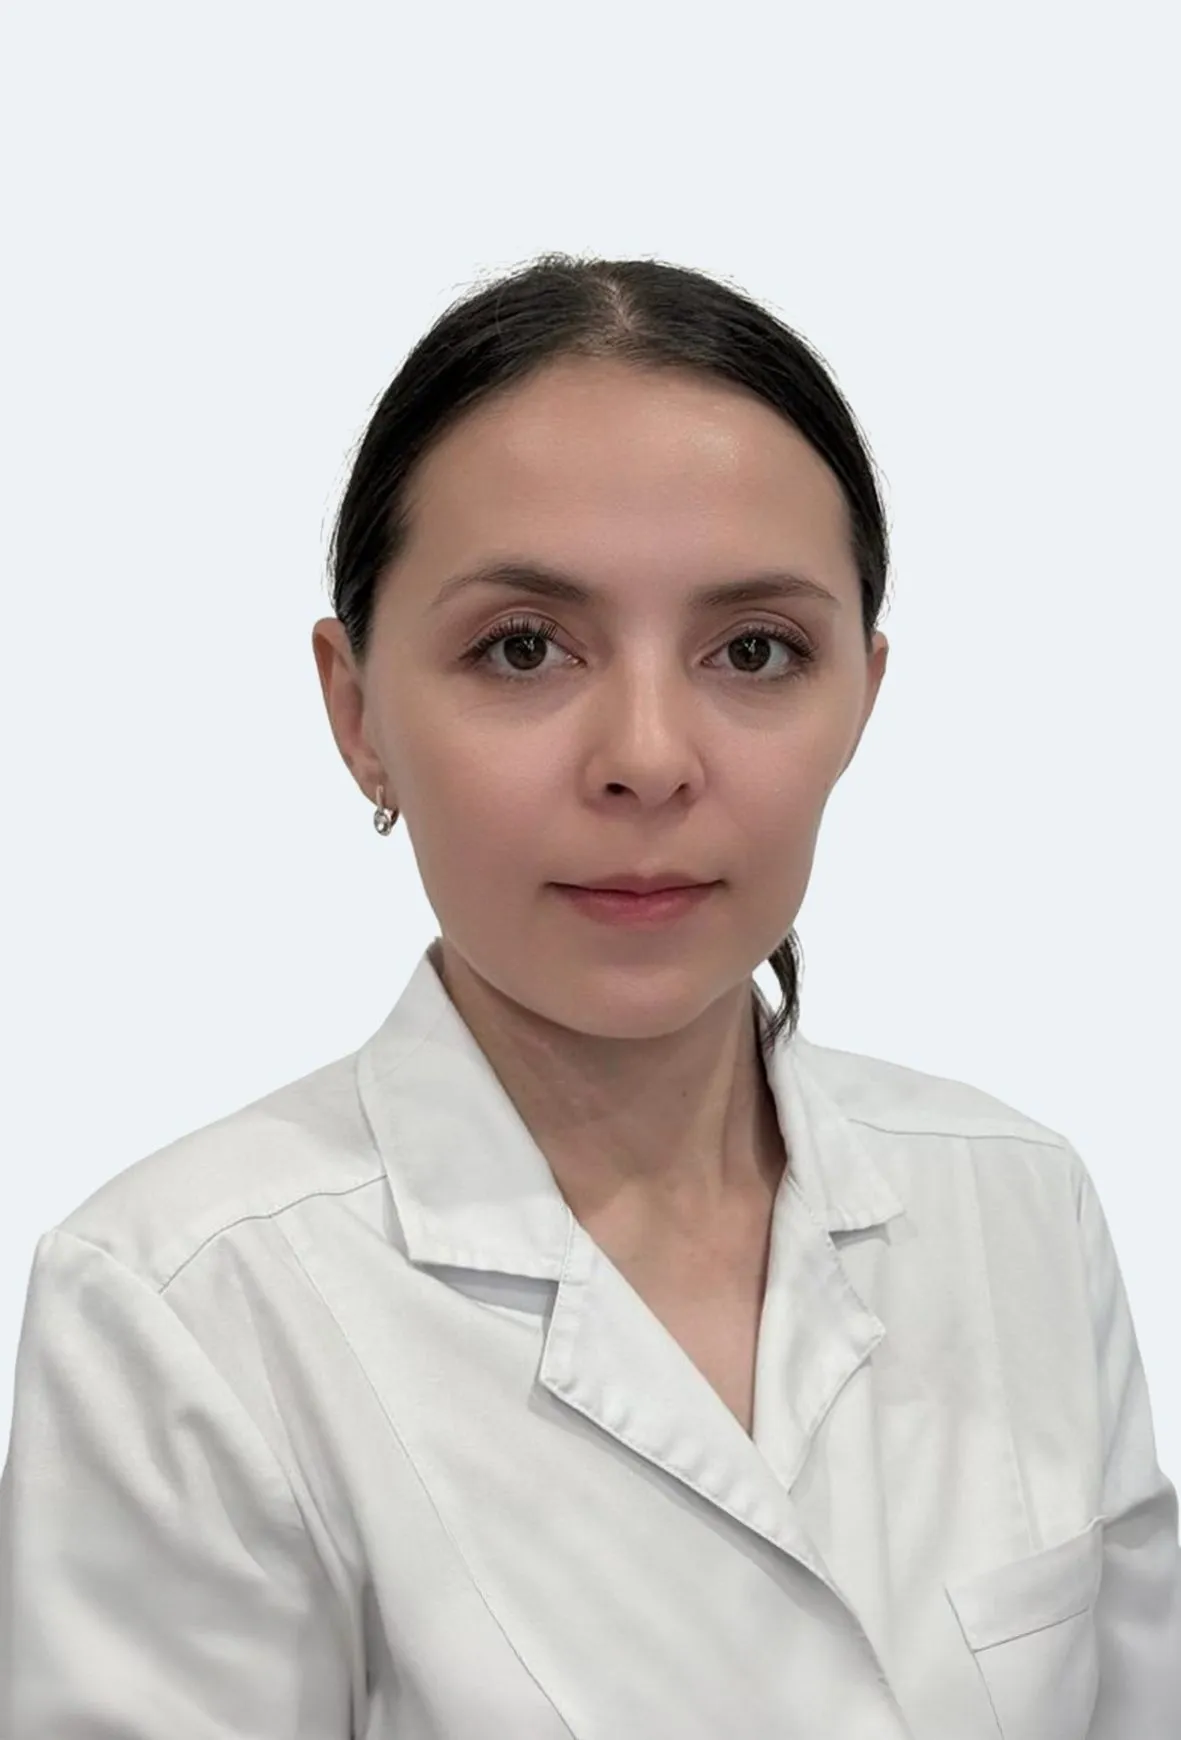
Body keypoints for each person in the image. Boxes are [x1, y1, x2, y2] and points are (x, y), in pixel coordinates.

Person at [1, 253, 1177, 1739]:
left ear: (862, 701)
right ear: (357, 711)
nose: (649, 757)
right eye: (522, 648)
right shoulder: (187, 1307)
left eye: (755, 650)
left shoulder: (1019, 1206)